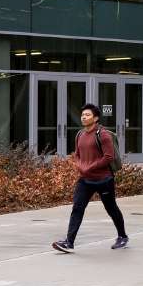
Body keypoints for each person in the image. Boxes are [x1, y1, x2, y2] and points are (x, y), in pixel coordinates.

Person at [52, 103, 129, 253]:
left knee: (111, 208)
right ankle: (69, 242)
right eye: (82, 115)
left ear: (96, 118)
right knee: (77, 208)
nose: (84, 117)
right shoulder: (80, 134)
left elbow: (109, 157)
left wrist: (90, 167)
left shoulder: (103, 134)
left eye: (87, 115)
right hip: (85, 180)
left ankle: (122, 236)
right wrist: (80, 166)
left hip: (104, 179)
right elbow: (78, 155)